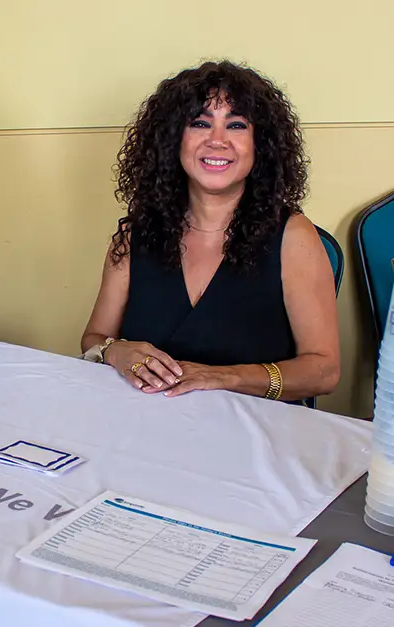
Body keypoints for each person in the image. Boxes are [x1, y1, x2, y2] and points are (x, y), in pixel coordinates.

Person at [80, 60, 340, 403]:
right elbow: (94, 338)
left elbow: (324, 371)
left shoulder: (294, 236)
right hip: (145, 422)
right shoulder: (135, 235)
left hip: (252, 428)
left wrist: (226, 377)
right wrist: (115, 351)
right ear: (173, 139)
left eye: (236, 125)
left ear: (260, 144)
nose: (217, 141)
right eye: (200, 123)